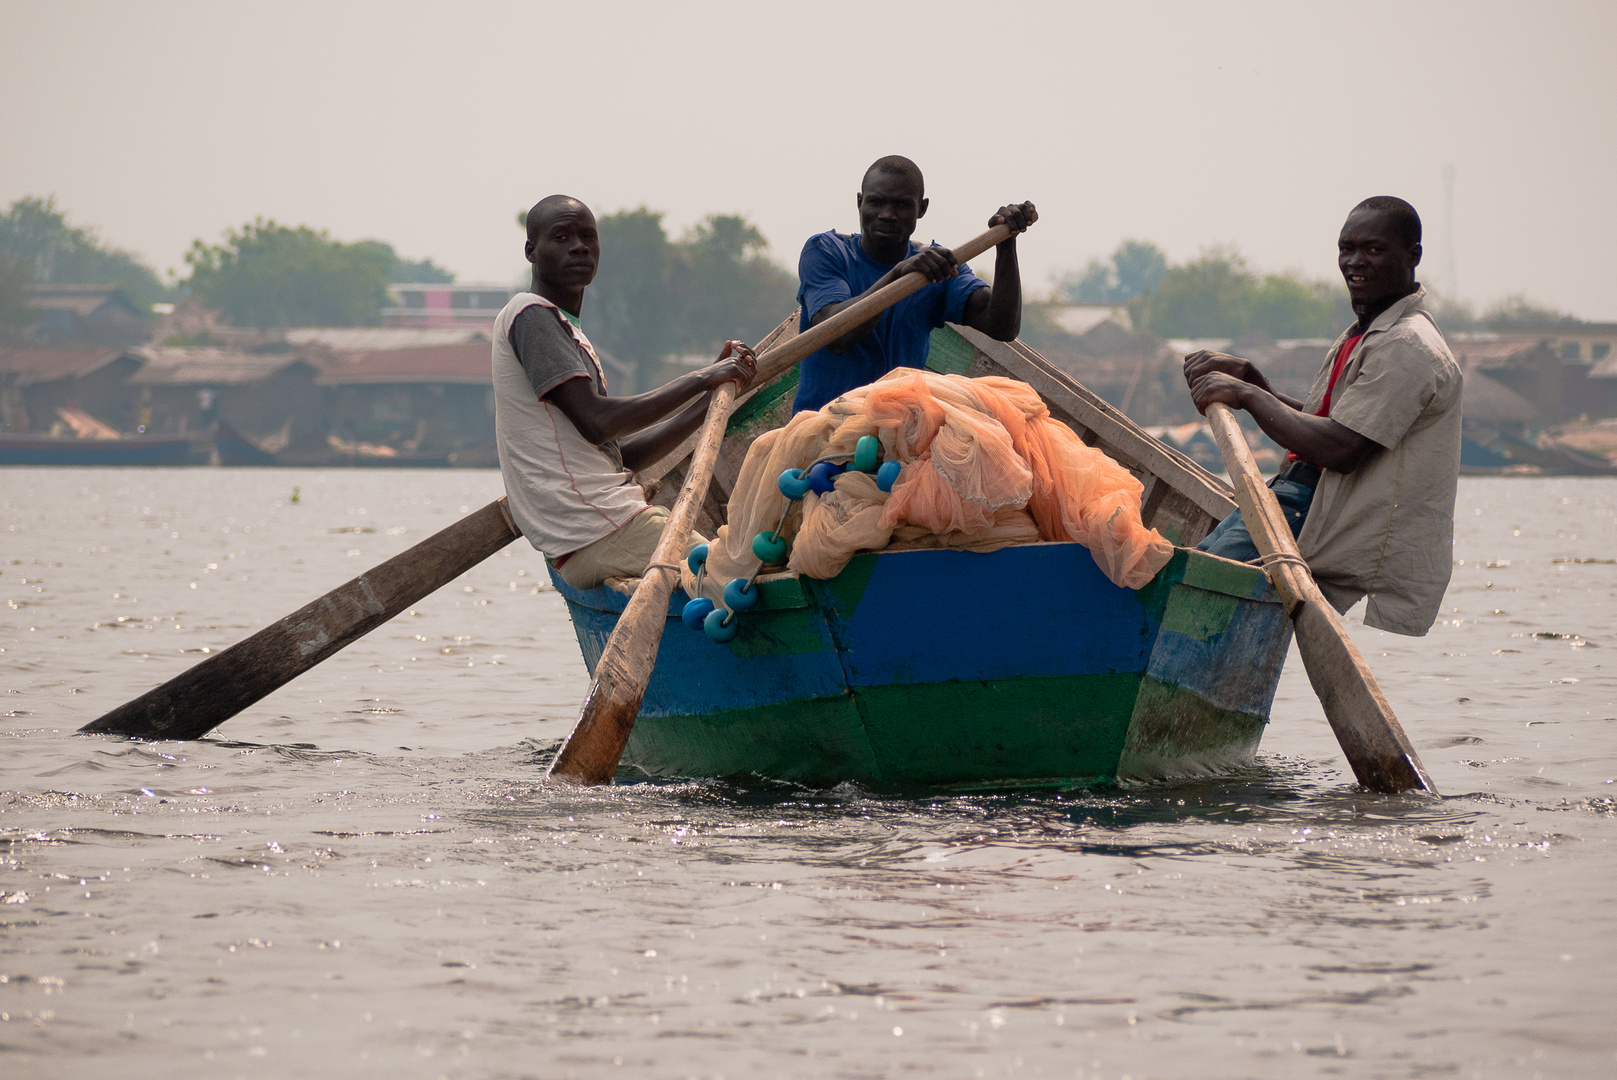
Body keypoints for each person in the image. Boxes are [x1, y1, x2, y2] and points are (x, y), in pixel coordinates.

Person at [1182, 196, 1462, 637]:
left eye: (1372, 250)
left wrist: (1248, 395)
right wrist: (1258, 383)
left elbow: (1341, 447)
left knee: (1193, 589)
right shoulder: (1367, 334)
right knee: (1189, 572)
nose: (1355, 262)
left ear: (1413, 257)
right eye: (1346, 249)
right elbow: (1322, 424)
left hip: (1313, 508)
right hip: (1290, 496)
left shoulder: (1408, 346)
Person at [493, 195, 757, 590]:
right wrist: (701, 377)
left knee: (731, 570)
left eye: (587, 237)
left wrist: (710, 400)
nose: (579, 246)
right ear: (532, 251)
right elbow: (598, 422)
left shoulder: (569, 332)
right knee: (740, 580)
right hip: (598, 529)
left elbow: (621, 456)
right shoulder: (530, 313)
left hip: (593, 534)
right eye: (561, 237)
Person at [791, 155, 1037, 413]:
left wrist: (1006, 244)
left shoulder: (937, 267)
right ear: (860, 203)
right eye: (876, 202)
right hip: (823, 432)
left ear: (921, 208)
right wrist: (897, 276)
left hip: (899, 438)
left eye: (902, 205)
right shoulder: (825, 251)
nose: (887, 215)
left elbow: (1002, 327)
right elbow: (837, 336)